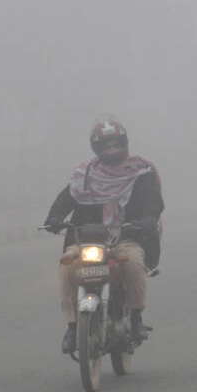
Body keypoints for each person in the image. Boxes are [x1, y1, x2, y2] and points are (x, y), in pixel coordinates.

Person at [43, 117, 163, 353]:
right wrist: (54, 219)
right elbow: (66, 199)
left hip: (126, 237)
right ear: (96, 148)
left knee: (134, 264)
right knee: (67, 266)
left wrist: (148, 219)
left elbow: (153, 201)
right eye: (105, 145)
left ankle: (136, 317)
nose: (111, 149)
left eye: (115, 144)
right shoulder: (85, 174)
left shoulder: (141, 172)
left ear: (124, 142)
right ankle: (72, 325)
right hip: (87, 240)